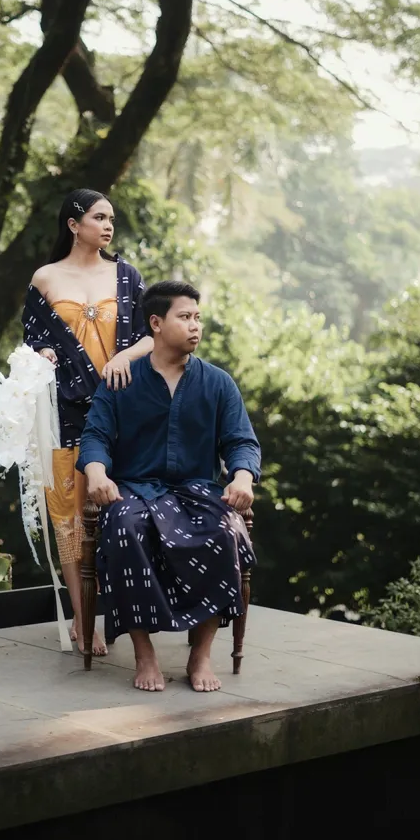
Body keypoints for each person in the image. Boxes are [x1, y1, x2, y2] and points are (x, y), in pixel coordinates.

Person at [76, 280, 260, 693]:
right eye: (185, 317)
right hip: (135, 490)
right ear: (156, 323)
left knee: (227, 530)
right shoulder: (122, 380)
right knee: (125, 527)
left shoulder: (218, 383)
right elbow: (95, 437)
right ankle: (144, 653)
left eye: (198, 317)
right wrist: (97, 473)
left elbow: (241, 442)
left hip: (198, 491)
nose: (195, 326)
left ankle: (202, 653)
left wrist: (243, 477)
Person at [22, 189, 153, 655]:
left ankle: (124, 612)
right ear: (74, 224)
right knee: (70, 514)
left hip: (120, 407)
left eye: (111, 218)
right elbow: (31, 338)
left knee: (118, 509)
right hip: (65, 409)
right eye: (99, 217)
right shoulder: (45, 278)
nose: (108, 225)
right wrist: (43, 352)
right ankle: (82, 619)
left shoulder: (126, 276)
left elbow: (150, 336)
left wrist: (123, 357)